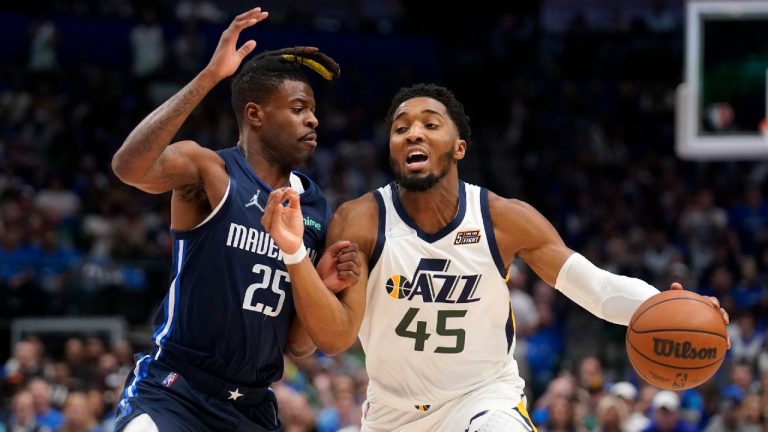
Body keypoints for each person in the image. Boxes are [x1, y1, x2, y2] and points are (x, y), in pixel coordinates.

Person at [261, 83, 730, 431]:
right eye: (401, 128)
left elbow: (597, 289)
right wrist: (298, 254)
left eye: (429, 123)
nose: (412, 134)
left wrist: (662, 303)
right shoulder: (361, 220)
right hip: (392, 411)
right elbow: (336, 338)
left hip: (483, 399)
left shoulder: (504, 218)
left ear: (459, 147)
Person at [110, 7, 359, 432]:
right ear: (255, 114)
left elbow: (298, 345)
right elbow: (128, 167)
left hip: (251, 406)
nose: (313, 119)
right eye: (299, 108)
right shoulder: (210, 171)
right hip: (175, 390)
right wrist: (209, 76)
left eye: (313, 110)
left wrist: (318, 282)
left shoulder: (315, 209)